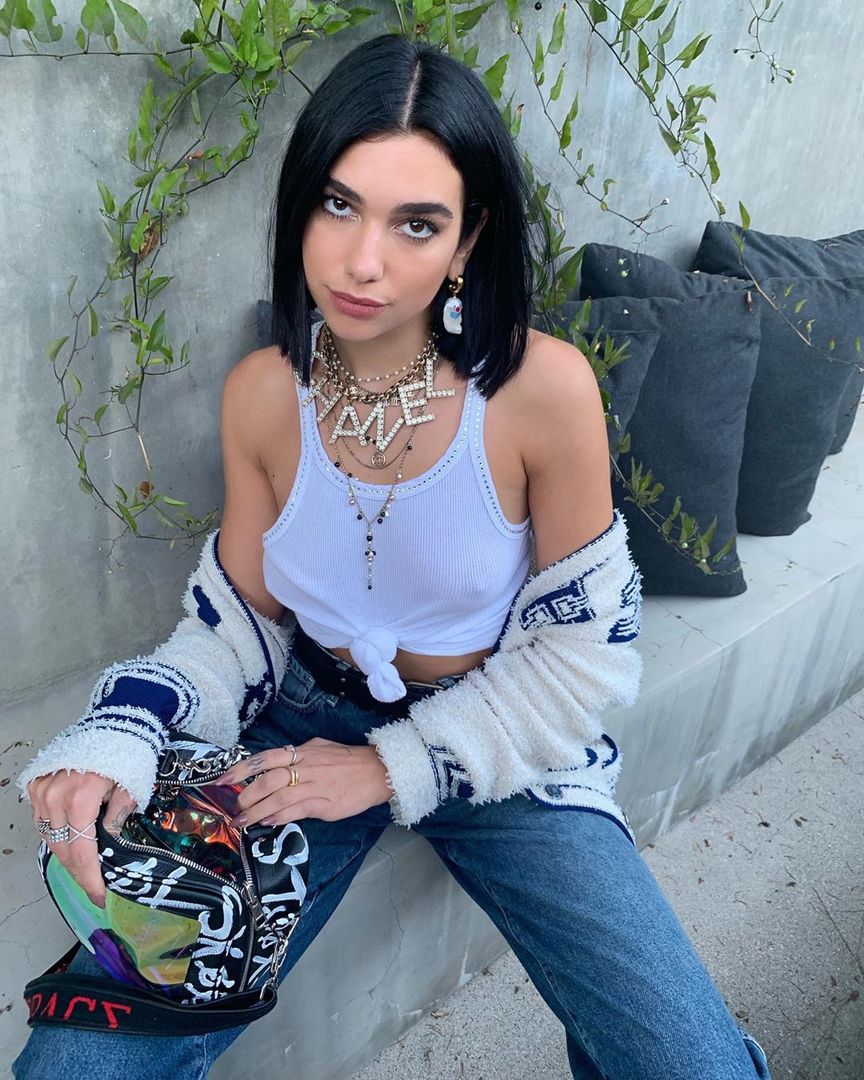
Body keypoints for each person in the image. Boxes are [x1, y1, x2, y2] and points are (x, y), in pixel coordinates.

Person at [14, 32, 771, 1080]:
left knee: (692, 1066)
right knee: (74, 1068)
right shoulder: (262, 395)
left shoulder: (542, 392)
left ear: (468, 241)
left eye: (417, 223)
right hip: (301, 728)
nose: (362, 261)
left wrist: (386, 768)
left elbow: (583, 659)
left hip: (505, 741)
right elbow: (236, 628)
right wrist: (122, 730)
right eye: (338, 204)